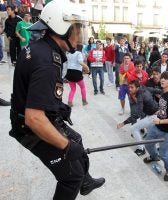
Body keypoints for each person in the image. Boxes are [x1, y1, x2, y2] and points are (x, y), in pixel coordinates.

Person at [9, 1, 105, 199]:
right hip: (30, 129)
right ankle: (80, 179)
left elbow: (33, 91)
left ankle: (85, 183)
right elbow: (34, 119)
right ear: (62, 27)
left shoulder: (42, 48)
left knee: (76, 139)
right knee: (71, 176)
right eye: (76, 29)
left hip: (35, 117)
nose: (79, 36)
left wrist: (56, 107)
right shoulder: (47, 62)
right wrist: (66, 146)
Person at [143, 71, 168, 182]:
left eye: (165, 78)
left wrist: (160, 122)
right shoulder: (163, 93)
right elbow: (164, 109)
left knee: (164, 153)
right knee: (148, 144)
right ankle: (154, 157)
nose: (162, 80)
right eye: (162, 78)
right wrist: (157, 113)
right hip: (157, 126)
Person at [117, 80, 158, 156]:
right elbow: (156, 90)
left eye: (132, 87)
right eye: (129, 87)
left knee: (133, 128)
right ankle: (156, 148)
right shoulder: (144, 88)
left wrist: (123, 123)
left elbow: (136, 115)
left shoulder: (140, 96)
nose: (130, 89)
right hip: (152, 114)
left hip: (154, 116)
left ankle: (141, 149)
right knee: (150, 131)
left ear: (137, 88)